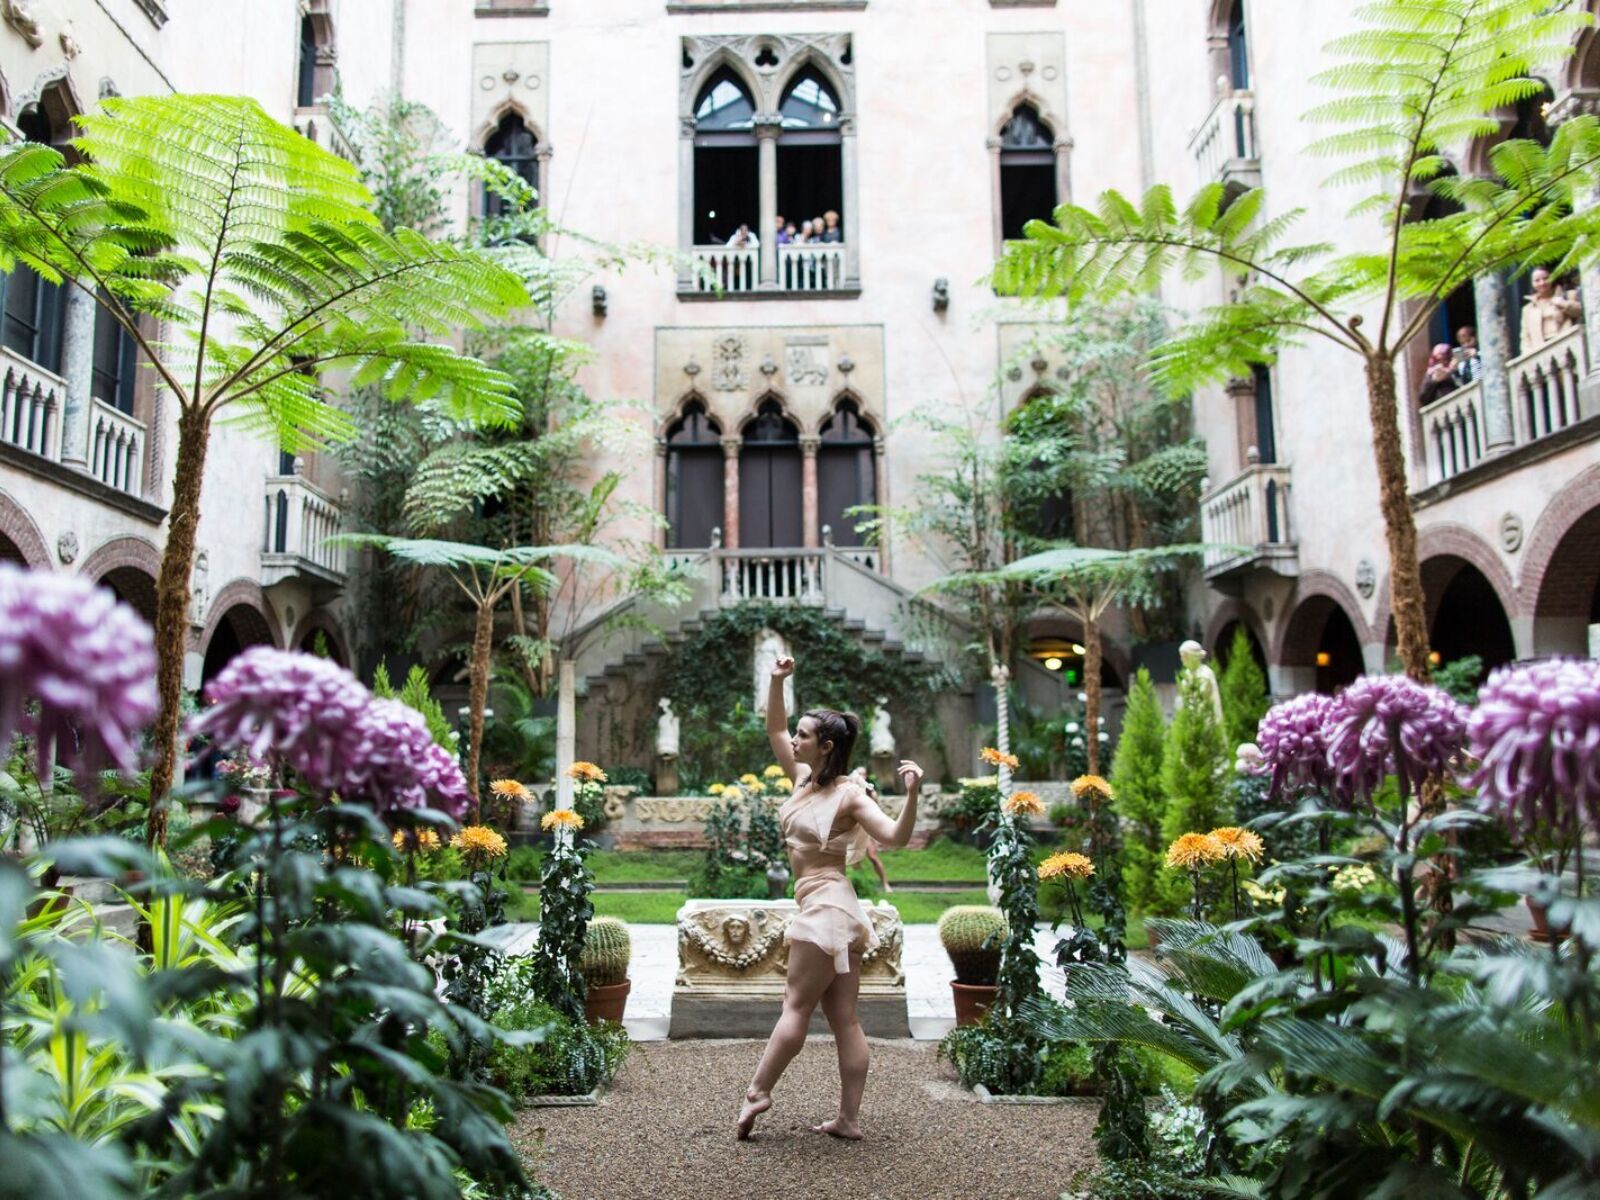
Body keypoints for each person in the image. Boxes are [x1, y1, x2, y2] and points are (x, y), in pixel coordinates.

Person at [737, 654, 923, 1142]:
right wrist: (777, 680)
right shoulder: (802, 777)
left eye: (804, 735)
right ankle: (848, 1120)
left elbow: (896, 837)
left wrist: (913, 796)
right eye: (797, 734)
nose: (794, 740)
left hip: (827, 907)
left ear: (826, 746)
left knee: (796, 1007)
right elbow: (773, 726)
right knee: (844, 1019)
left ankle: (758, 1091)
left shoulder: (850, 795)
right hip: (834, 910)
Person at [850, 767, 893, 894]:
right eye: (859, 774)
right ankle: (861, 885)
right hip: (853, 830)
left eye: (864, 774)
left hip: (866, 829)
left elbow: (875, 812)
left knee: (873, 856)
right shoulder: (851, 790)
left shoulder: (870, 792)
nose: (862, 776)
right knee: (855, 860)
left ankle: (885, 883)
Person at [1520, 266, 1582, 351]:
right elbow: (1525, 337)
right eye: (1537, 280)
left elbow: (1580, 311)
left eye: (1545, 278)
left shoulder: (1568, 296)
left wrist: (1563, 304)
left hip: (1567, 344)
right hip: (1542, 350)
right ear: (1532, 283)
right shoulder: (1527, 309)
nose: (1542, 283)